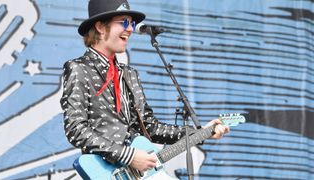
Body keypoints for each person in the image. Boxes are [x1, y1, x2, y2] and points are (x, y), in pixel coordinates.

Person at [60, 0, 229, 173]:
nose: (131, 29)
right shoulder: (79, 68)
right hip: (110, 172)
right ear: (100, 27)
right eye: (124, 22)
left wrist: (200, 132)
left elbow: (150, 127)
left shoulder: (130, 74)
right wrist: (128, 156)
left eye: (132, 23)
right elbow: (76, 129)